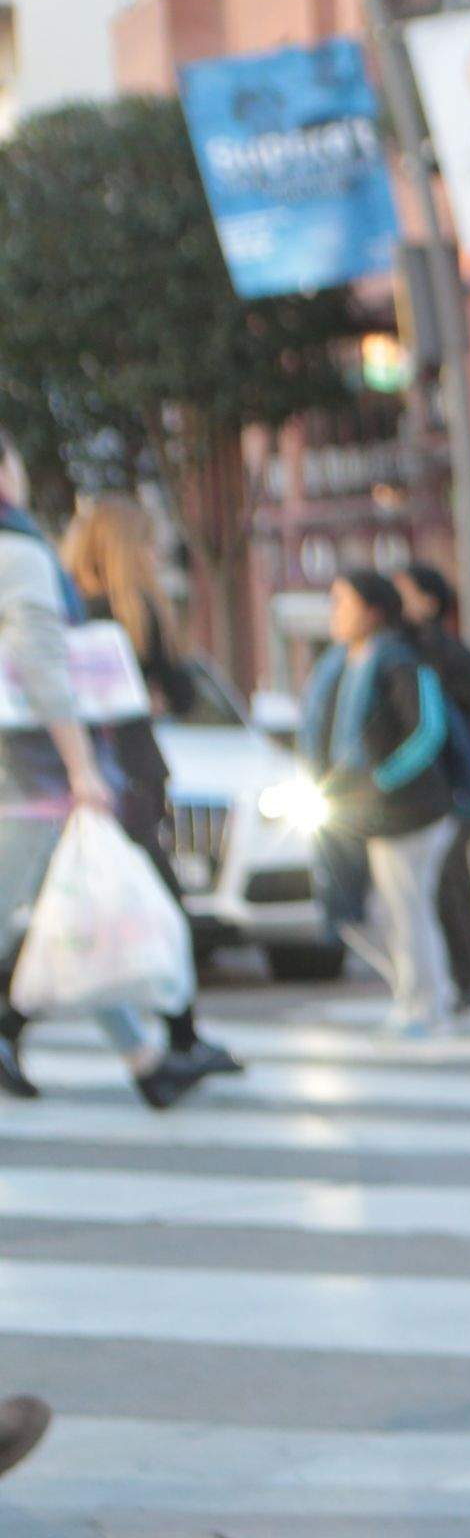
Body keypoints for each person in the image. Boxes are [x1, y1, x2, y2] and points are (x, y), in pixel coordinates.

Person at [0, 433, 213, 1107]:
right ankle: (148, 1059)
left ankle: (149, 1060)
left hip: (21, 775)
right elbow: (43, 666)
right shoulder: (21, 553)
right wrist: (82, 765)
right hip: (32, 779)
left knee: (75, 911)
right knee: (42, 912)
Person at [53, 495, 240, 1083]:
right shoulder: (138, 614)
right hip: (133, 773)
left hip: (78, 775)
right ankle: (180, 1039)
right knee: (159, 909)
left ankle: (178, 1037)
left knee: (80, 909)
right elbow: (183, 694)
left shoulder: (68, 611)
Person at [311, 568, 462, 1037]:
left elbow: (427, 730)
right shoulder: (344, 663)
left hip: (410, 812)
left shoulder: (396, 659)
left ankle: (424, 1003)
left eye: (343, 602)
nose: (334, 612)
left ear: (372, 611)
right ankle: (424, 996)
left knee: (407, 911)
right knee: (394, 911)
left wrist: (381, 780)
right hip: (374, 812)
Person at [400, 565, 470, 1020]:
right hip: (466, 783)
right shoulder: (425, 647)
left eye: (404, 592)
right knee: (449, 879)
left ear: (429, 602)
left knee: (447, 875)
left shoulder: (433, 650)